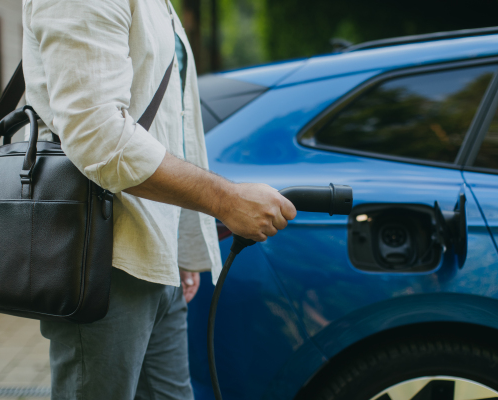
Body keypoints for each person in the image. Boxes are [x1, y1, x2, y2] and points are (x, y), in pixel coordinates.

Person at [21, 0, 297, 399]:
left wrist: (181, 246)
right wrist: (226, 199)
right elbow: (97, 134)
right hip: (103, 258)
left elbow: (170, 124)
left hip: (154, 254)